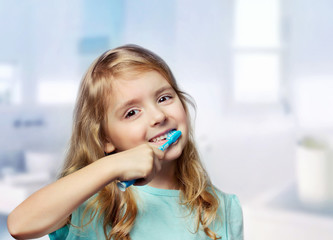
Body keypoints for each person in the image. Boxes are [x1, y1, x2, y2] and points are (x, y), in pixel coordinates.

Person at [7, 44, 243, 240]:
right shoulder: (89, 202)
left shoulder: (223, 208)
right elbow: (18, 226)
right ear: (106, 139)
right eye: (132, 112)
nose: (159, 116)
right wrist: (112, 166)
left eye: (164, 98)